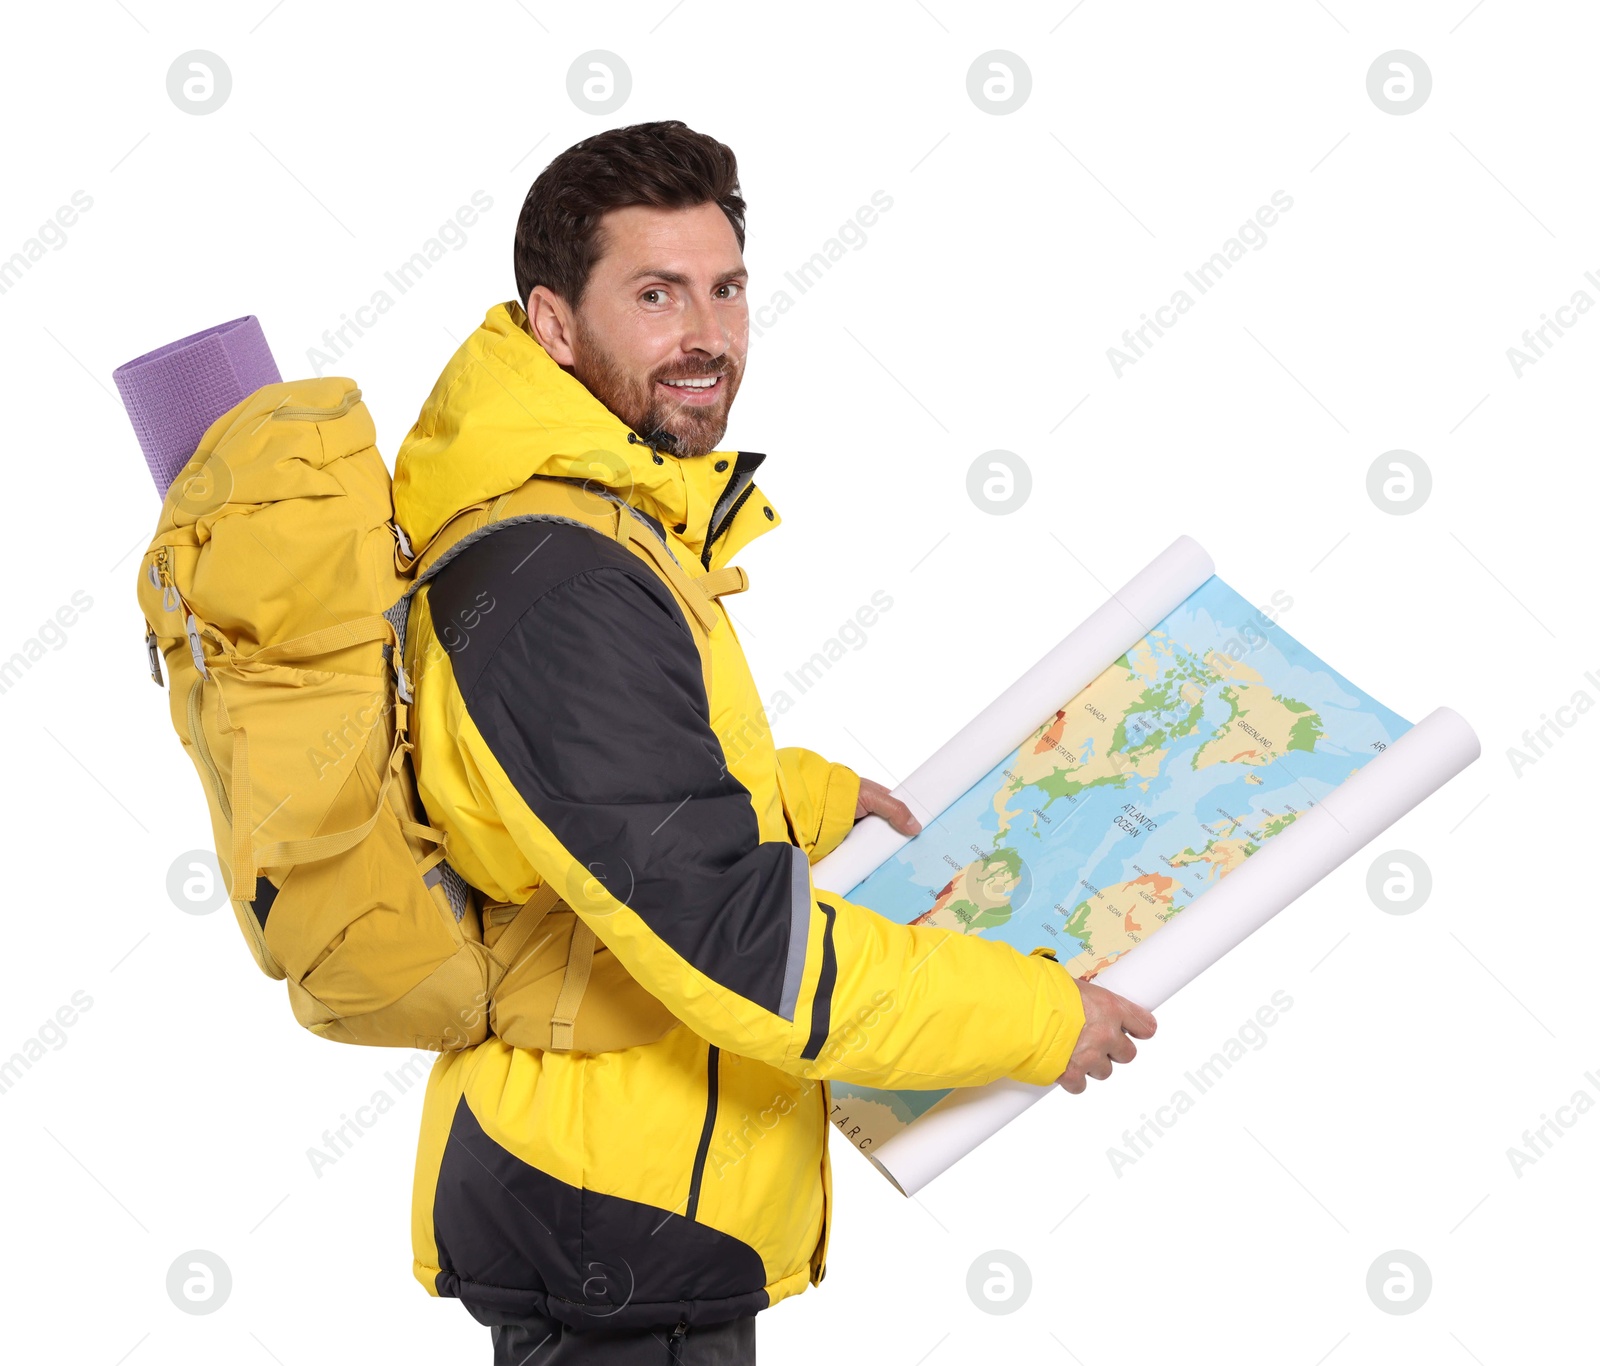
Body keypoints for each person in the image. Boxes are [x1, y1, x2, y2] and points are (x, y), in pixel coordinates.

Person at [392, 119, 1157, 1365]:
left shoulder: (588, 525)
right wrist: (1035, 1014)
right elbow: (738, 942)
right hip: (621, 1224)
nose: (706, 334)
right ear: (551, 323)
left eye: (726, 288)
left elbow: (598, 805)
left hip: (614, 1183)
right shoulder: (558, 577)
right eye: (654, 294)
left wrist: (805, 796)